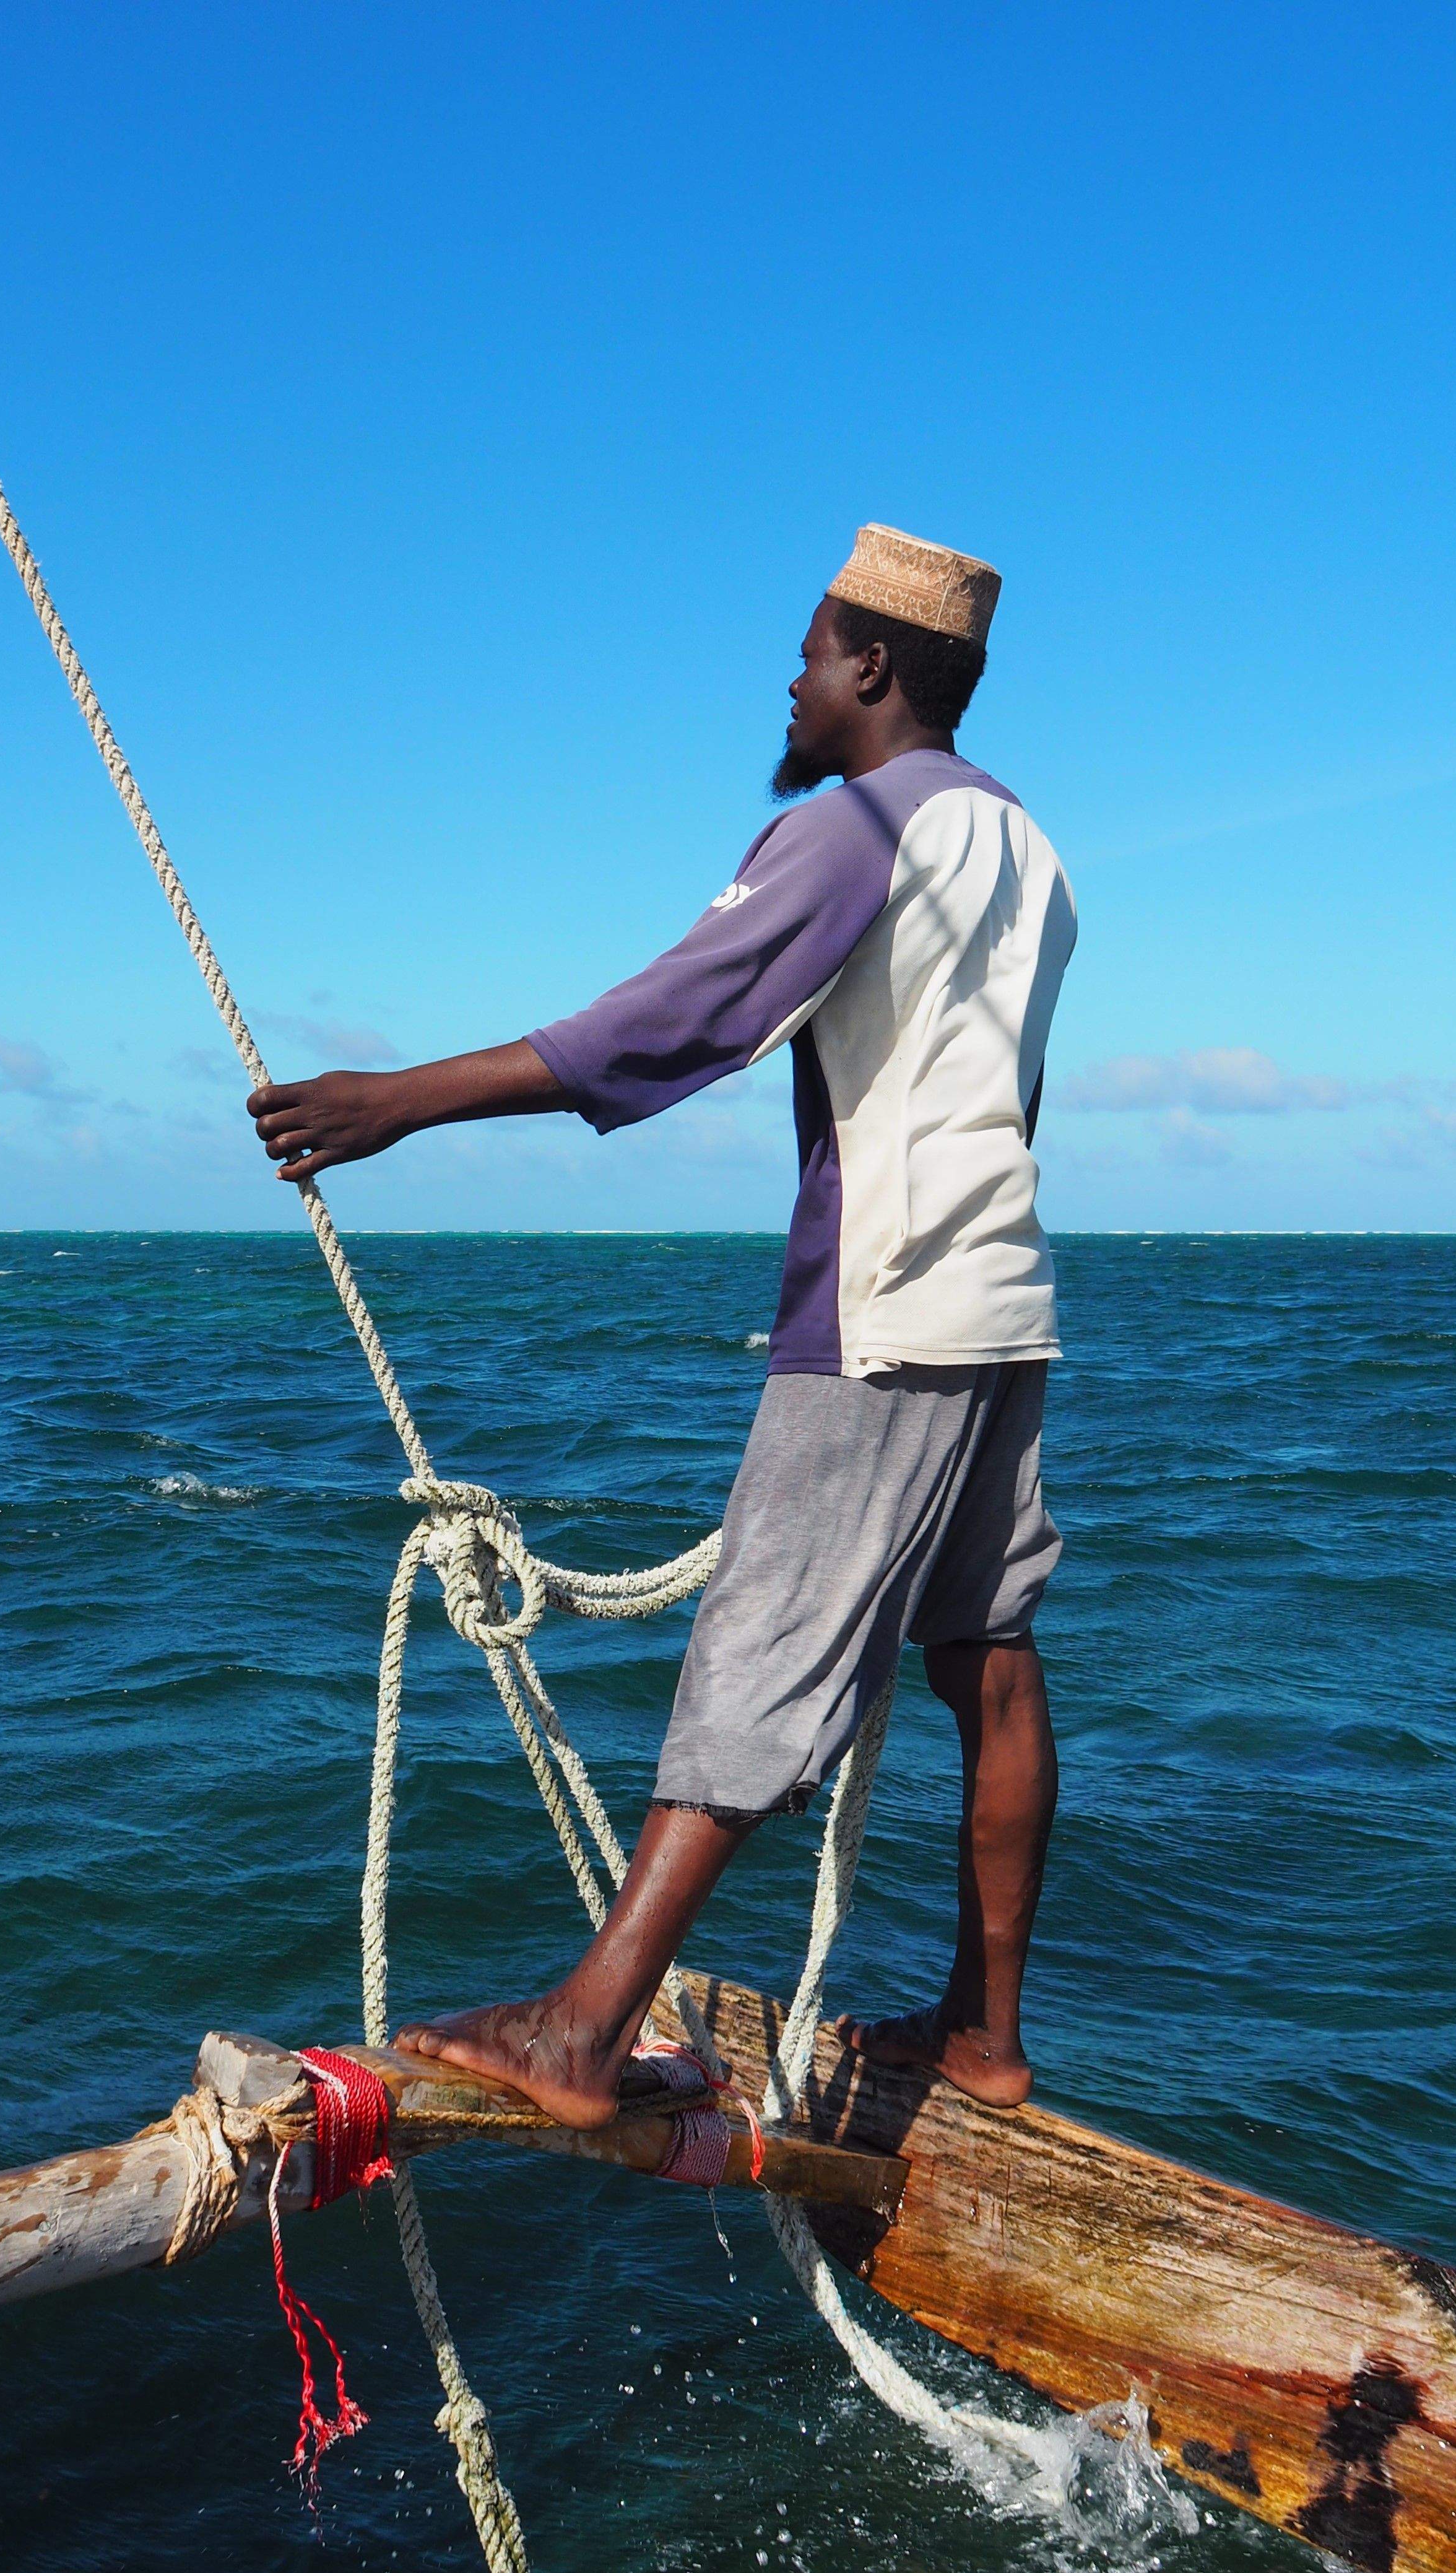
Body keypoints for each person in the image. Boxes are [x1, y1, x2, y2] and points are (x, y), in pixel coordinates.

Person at [248, 523, 1075, 2117]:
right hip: (1001, 1299)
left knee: (759, 1647)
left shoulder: (858, 832)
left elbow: (670, 1024)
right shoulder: (1026, 845)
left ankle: (581, 2026)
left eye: (811, 649)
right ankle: (987, 2037)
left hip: (884, 1308)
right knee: (993, 1658)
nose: (791, 676)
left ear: (872, 668)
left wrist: (392, 1104)